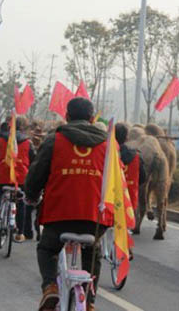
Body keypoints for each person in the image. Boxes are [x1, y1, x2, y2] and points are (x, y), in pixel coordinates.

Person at [25, 97, 111, 311]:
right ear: (92, 118)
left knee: (46, 248)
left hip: (58, 216)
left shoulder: (54, 140)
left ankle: (50, 288)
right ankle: (90, 302)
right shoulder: (109, 145)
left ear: (67, 116)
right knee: (93, 253)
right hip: (94, 218)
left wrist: (31, 196)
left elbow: (37, 174)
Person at [0, 116, 35, 243]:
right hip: (21, 177)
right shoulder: (28, 142)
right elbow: (34, 160)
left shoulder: (1, 139)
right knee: (21, 202)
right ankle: (20, 233)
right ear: (23, 127)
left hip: (3, 174)